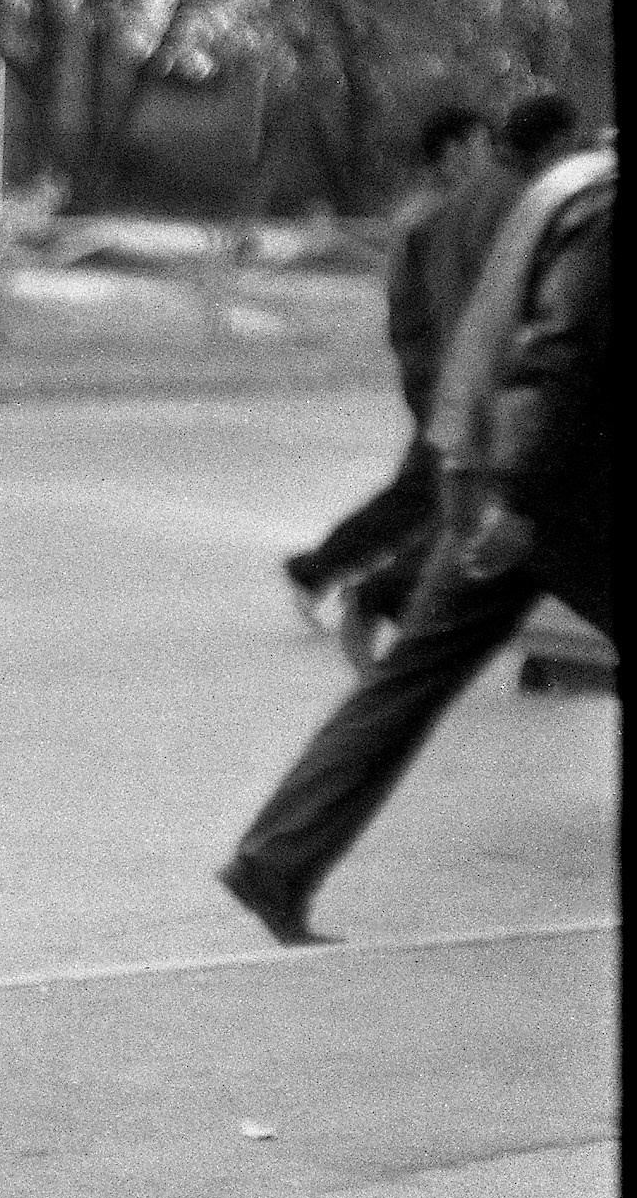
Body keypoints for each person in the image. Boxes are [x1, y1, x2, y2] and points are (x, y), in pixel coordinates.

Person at [219, 128, 615, 947]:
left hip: (492, 474)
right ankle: (275, 860)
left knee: (408, 678)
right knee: (413, 675)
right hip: (557, 499)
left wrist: (482, 482)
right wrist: (522, 500)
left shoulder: (572, 183)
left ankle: (276, 857)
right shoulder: (607, 209)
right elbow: (561, 355)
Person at [280, 103, 507, 641]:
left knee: (431, 488)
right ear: (450, 153)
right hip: (442, 373)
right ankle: (350, 579)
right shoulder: (438, 217)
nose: (486, 158)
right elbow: (443, 306)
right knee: (437, 489)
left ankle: (337, 573)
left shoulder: (440, 212)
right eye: (477, 146)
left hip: (440, 371)